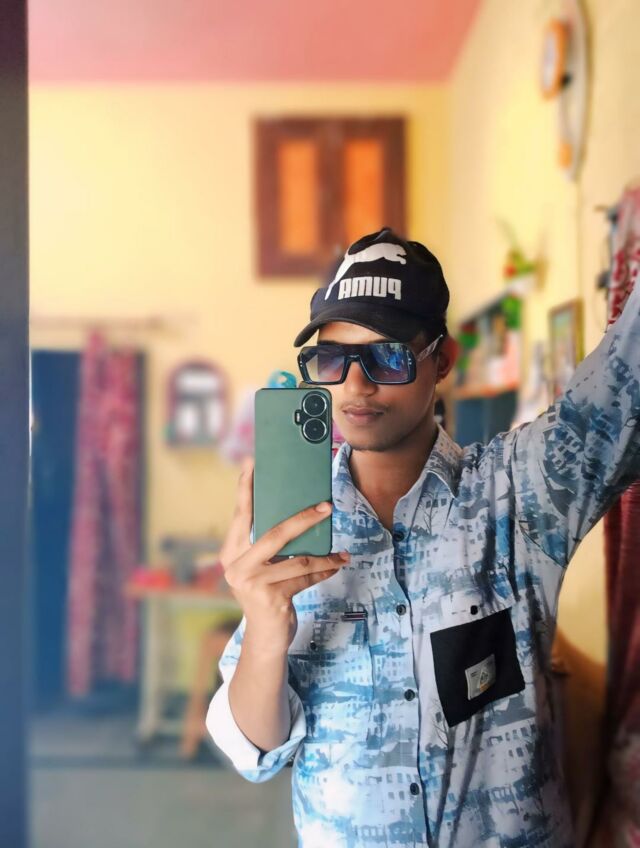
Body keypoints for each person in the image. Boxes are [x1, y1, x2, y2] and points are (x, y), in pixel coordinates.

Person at [206, 227, 640, 847]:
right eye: (332, 359)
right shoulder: (290, 527)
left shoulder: (518, 493)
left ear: (442, 361)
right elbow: (257, 752)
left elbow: (625, 384)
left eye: (387, 358)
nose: (355, 386)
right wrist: (264, 630)